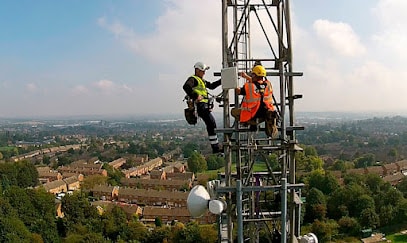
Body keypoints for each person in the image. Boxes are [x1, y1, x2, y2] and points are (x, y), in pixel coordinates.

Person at [183, 62, 222, 154]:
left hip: (204, 106)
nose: (204, 73)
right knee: (211, 124)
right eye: (203, 71)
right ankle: (215, 148)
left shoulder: (202, 81)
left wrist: (223, 79)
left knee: (211, 125)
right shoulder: (193, 79)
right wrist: (195, 95)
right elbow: (186, 87)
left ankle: (215, 148)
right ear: (197, 70)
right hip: (201, 106)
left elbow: (212, 86)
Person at [235, 65, 278, 137]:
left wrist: (233, 82)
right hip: (266, 111)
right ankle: (270, 126)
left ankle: (252, 123)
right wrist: (246, 77)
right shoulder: (268, 84)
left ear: (254, 75)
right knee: (267, 113)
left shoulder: (249, 86)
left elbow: (238, 91)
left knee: (233, 112)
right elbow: (258, 84)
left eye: (252, 74)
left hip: (253, 112)